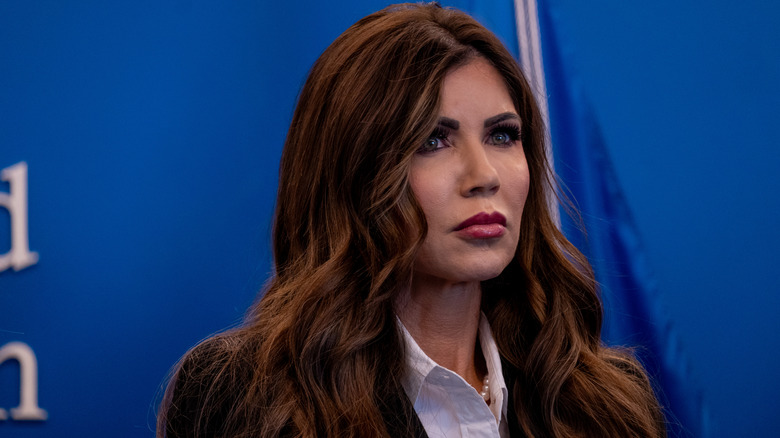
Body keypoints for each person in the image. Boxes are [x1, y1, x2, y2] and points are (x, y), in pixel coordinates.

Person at [158, 3, 666, 437]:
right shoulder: (245, 398)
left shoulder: (608, 400)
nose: (483, 174)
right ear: (353, 172)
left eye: (503, 136)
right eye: (433, 140)